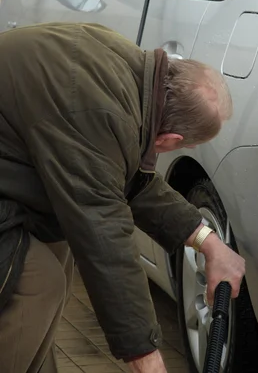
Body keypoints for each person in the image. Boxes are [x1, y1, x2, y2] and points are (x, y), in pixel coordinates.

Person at [0, 22, 245, 373]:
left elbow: (125, 181)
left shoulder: (129, 75)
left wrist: (208, 242)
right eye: (186, 146)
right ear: (171, 138)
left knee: (57, 252)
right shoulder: (100, 113)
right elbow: (104, 234)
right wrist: (146, 358)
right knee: (36, 283)